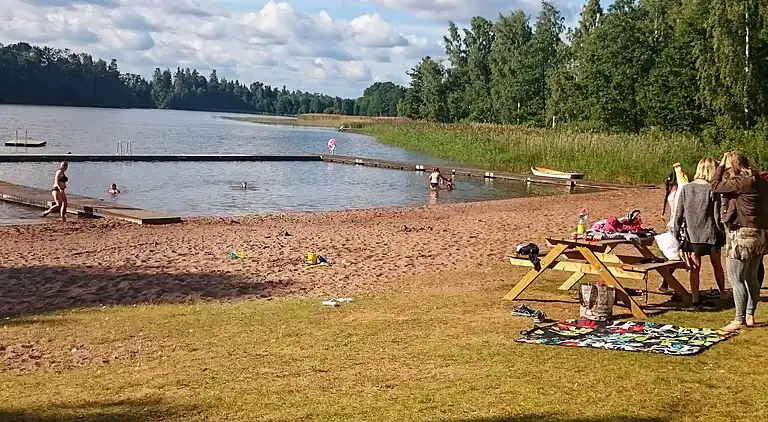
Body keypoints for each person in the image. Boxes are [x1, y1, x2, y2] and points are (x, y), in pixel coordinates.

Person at [710, 152, 768, 331]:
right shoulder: (758, 179)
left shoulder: (740, 182)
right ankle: (750, 314)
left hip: (742, 235)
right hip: (760, 233)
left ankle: (738, 318)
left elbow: (714, 185)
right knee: (751, 276)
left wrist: (720, 166)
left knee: (736, 279)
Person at [673, 157, 726, 305]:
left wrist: (676, 234)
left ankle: (695, 297)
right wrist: (722, 232)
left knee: (695, 269)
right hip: (711, 235)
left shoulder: (686, 188)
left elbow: (679, 213)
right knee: (717, 266)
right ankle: (722, 293)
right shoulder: (712, 189)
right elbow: (716, 215)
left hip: (692, 235)